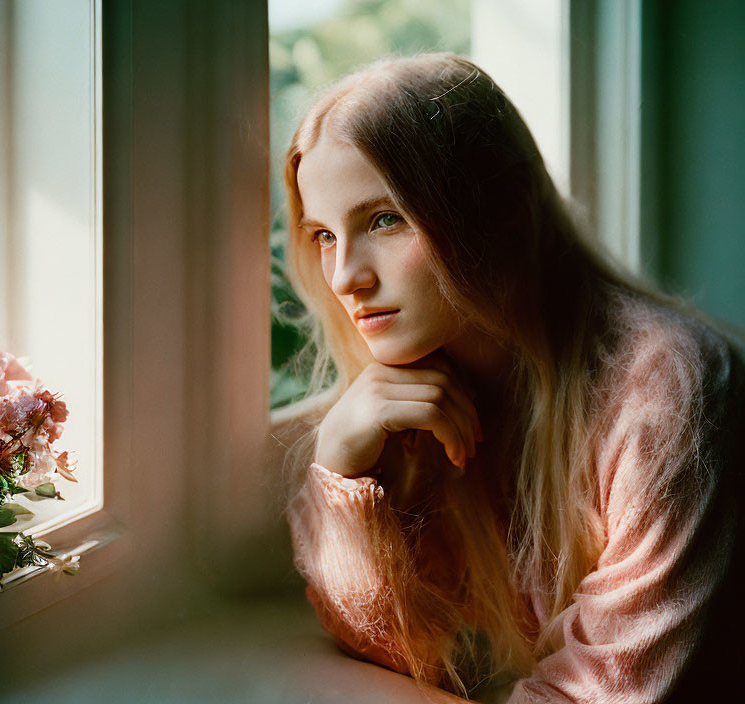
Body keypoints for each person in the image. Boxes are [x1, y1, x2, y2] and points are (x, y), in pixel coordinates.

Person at [281, 53, 745, 703]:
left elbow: (603, 693)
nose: (344, 277)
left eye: (385, 219)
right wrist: (340, 472)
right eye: (324, 235)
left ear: (500, 208)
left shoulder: (667, 386)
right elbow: (397, 648)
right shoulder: (426, 392)